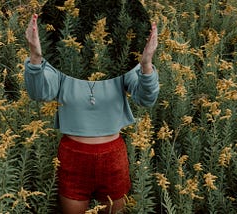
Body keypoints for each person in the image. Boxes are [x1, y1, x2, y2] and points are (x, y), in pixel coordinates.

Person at [25, 13, 159, 214]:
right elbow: (39, 93)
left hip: (113, 156)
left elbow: (146, 98)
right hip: (73, 156)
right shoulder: (61, 63)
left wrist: (146, 64)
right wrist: (35, 56)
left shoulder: (119, 65)